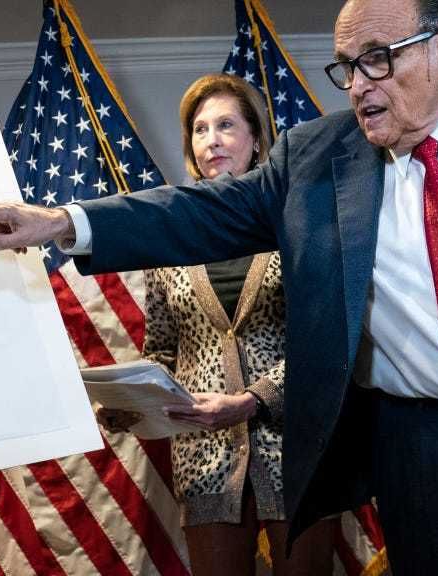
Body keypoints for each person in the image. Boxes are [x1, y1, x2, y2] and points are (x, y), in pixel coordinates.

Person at [0, 0, 438, 573]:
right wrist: (64, 221)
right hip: (424, 454)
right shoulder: (315, 159)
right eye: (346, 66)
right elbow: (197, 212)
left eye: (377, 58)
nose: (358, 85)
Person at [97, 73, 336, 575]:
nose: (212, 140)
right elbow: (162, 350)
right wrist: (130, 403)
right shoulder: (170, 237)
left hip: (298, 449)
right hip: (204, 458)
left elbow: (325, 342)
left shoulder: (298, 222)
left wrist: (254, 399)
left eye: (226, 125)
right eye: (200, 130)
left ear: (256, 139)